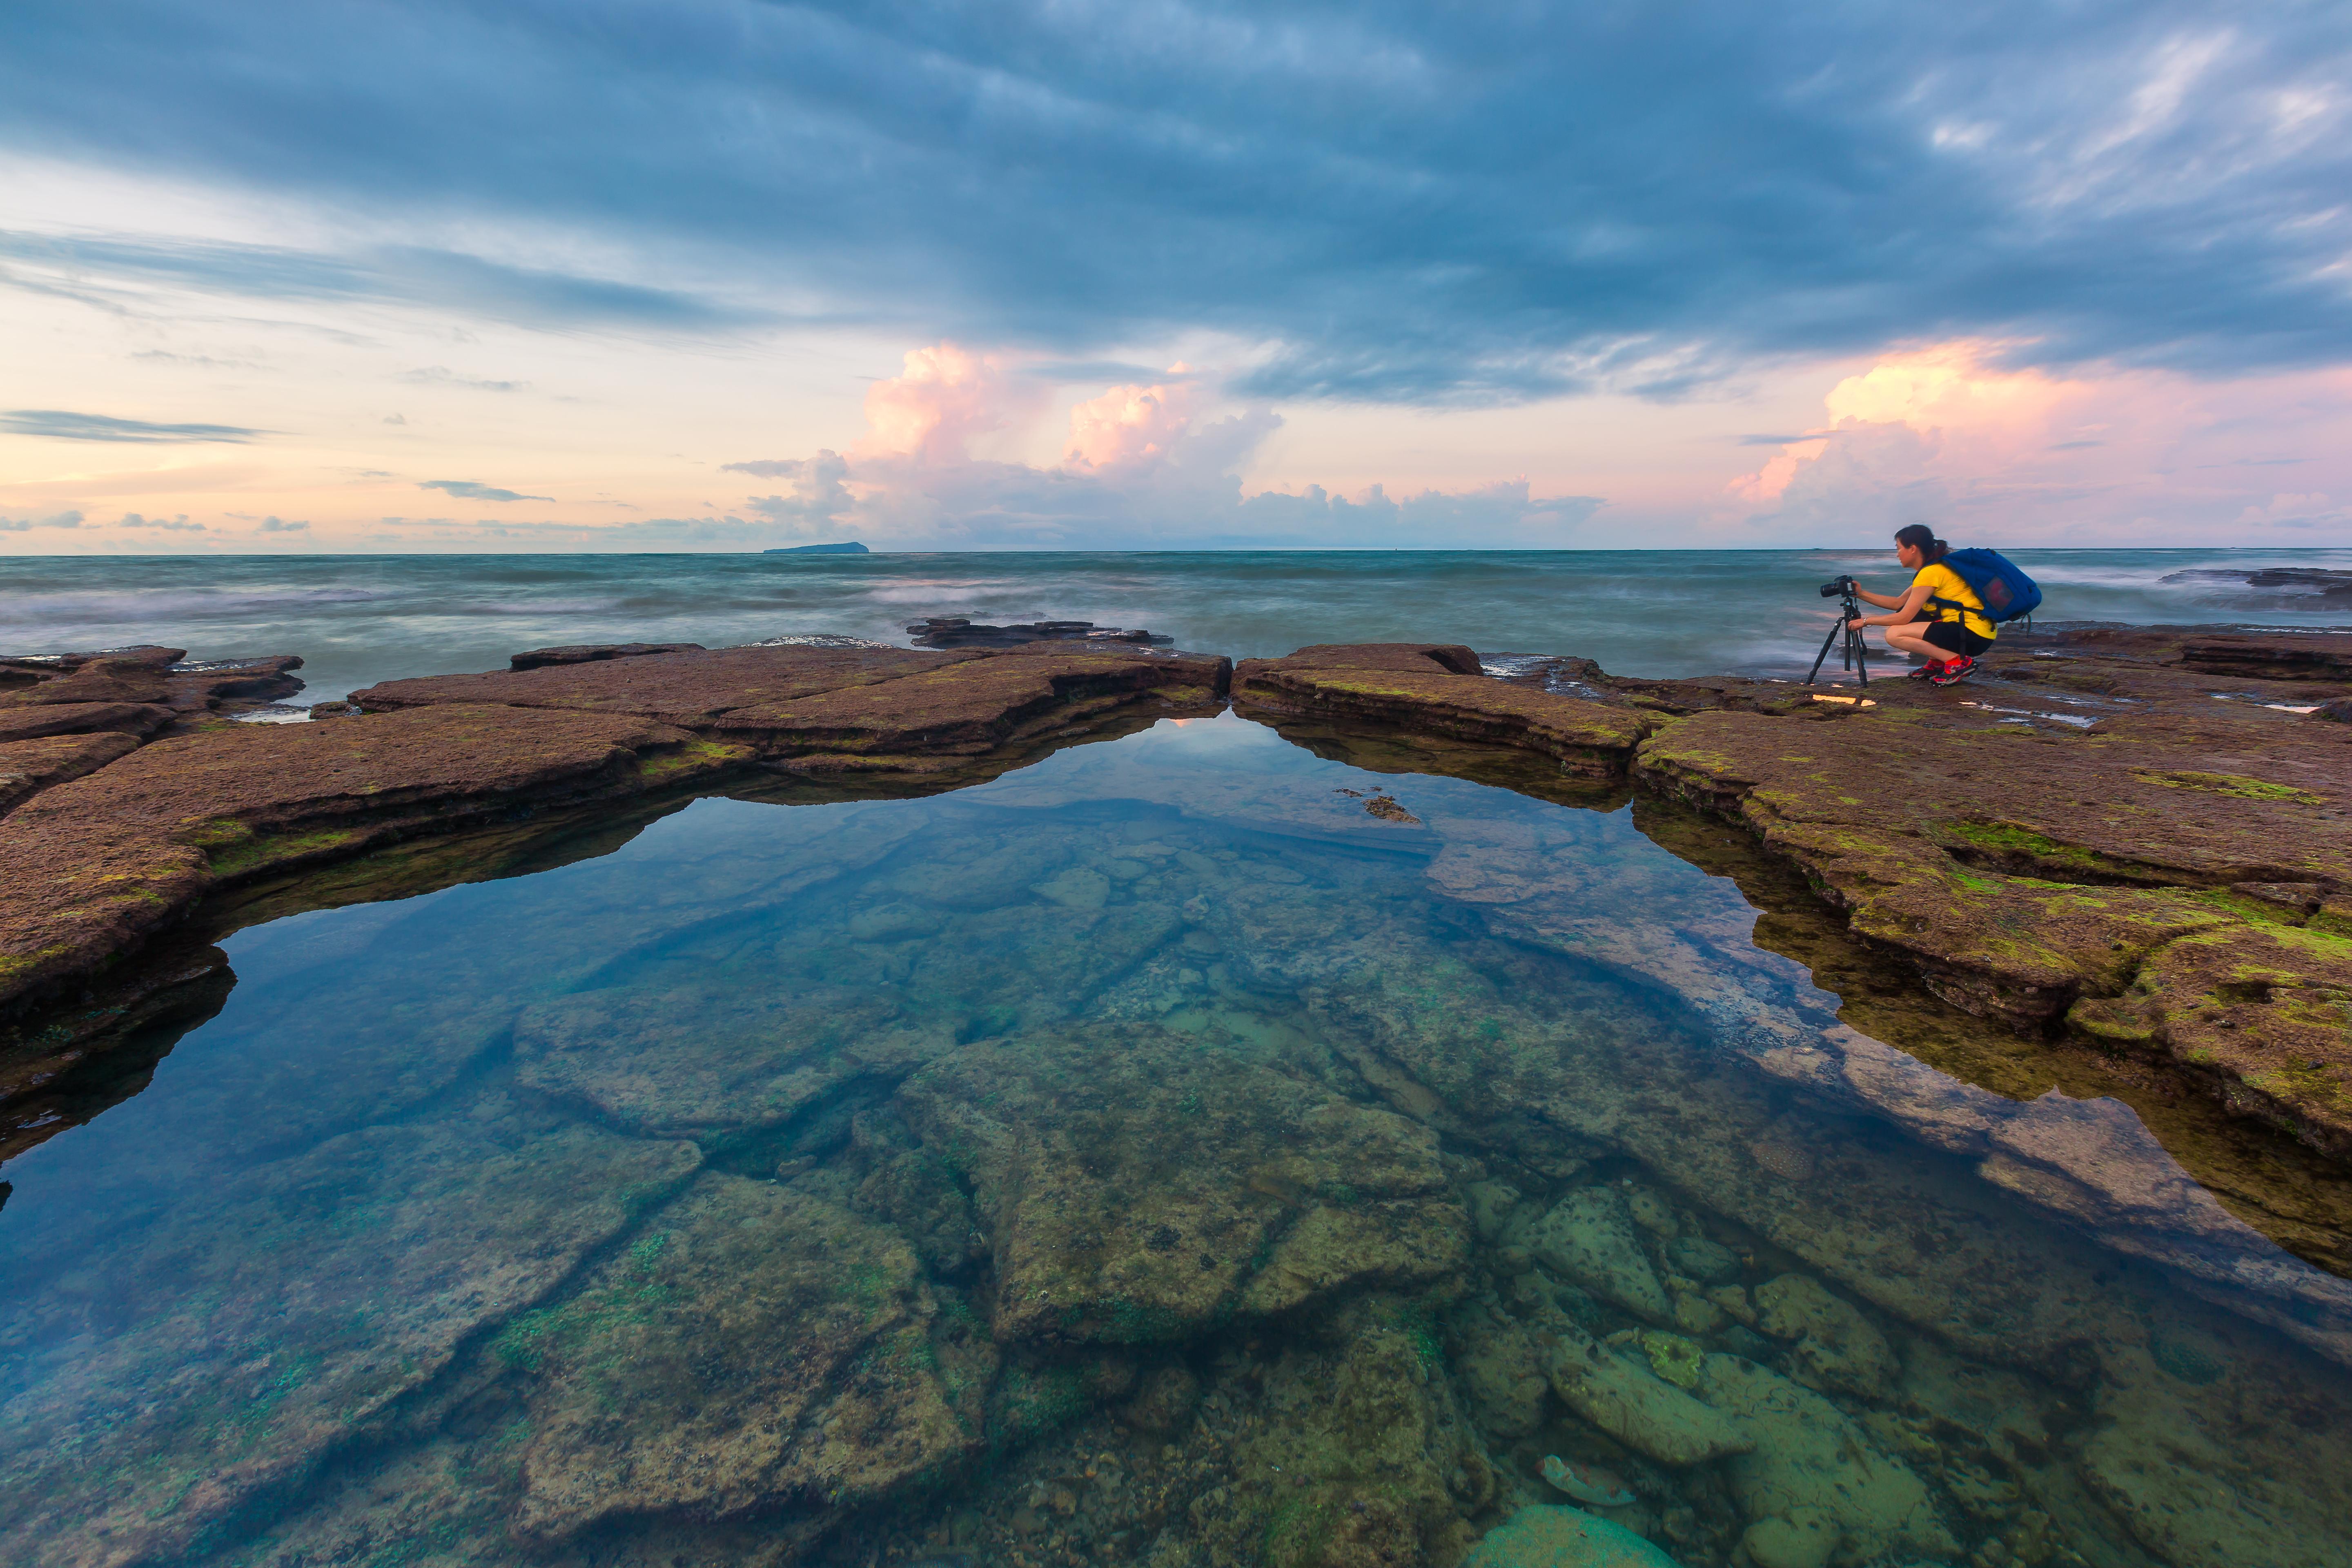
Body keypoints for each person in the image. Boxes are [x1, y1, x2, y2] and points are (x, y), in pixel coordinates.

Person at [1846, 523, 1996, 684]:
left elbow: (1903, 618)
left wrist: (1866, 621)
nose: (1897, 555)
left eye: (1899, 548)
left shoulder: (1930, 573)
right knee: (1918, 615)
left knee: (1894, 634)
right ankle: (1937, 662)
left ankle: (1957, 663)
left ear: (1913, 549)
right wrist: (1861, 594)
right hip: (1979, 632)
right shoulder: (1936, 569)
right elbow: (1898, 603)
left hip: (1972, 633)